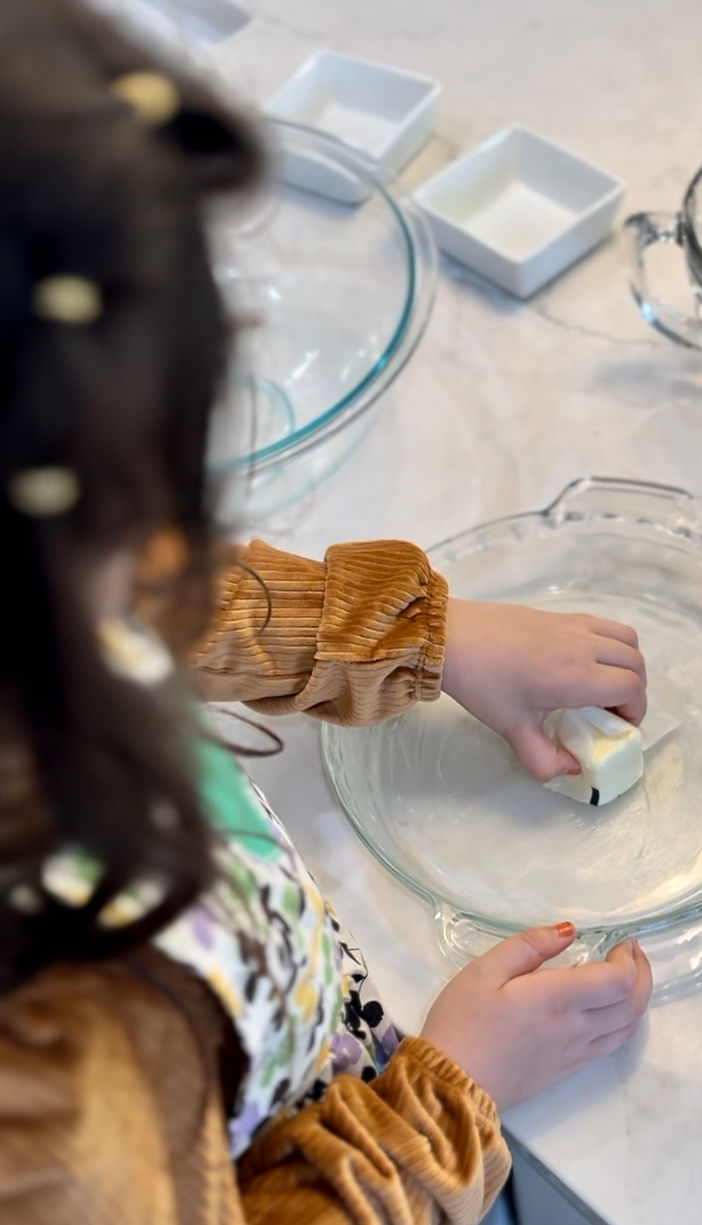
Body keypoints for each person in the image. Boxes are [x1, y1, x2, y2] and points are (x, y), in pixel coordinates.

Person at [0, 2, 653, 1222]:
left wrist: (417, 629)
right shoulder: (63, 1099)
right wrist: (446, 1098)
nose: (181, 554)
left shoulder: (52, 616)